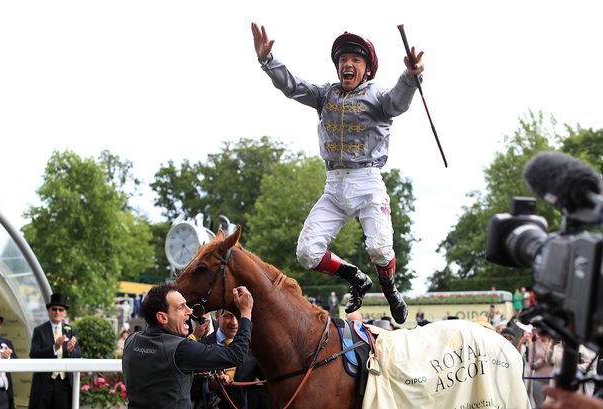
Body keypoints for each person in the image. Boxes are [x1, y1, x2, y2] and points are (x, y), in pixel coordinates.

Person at [251, 22, 424, 325]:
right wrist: (268, 60)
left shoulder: (379, 96)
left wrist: (410, 76)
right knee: (306, 253)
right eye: (343, 60)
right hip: (334, 186)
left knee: (380, 248)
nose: (348, 64)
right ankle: (356, 278)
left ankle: (390, 288)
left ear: (367, 69)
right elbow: (291, 86)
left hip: (368, 183)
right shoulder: (325, 95)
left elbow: (399, 100)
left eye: (356, 60)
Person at [123, 283, 254, 409]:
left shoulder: (131, 340)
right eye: (181, 307)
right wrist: (246, 312)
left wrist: (209, 383)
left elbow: (163, 376)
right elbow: (237, 354)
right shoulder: (181, 349)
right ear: (162, 318)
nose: (190, 310)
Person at [204, 309, 268, 409]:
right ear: (217, 316)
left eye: (238, 316)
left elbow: (269, 381)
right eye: (228, 316)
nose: (234, 322)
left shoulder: (254, 347)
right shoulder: (203, 345)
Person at [29, 293, 81, 409]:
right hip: (44, 382)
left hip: (64, 383)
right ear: (49, 311)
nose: (57, 312)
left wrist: (70, 351)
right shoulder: (39, 330)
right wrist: (54, 347)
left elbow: (78, 353)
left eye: (61, 309)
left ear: (65, 313)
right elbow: (34, 353)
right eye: (54, 309)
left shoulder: (71, 330)